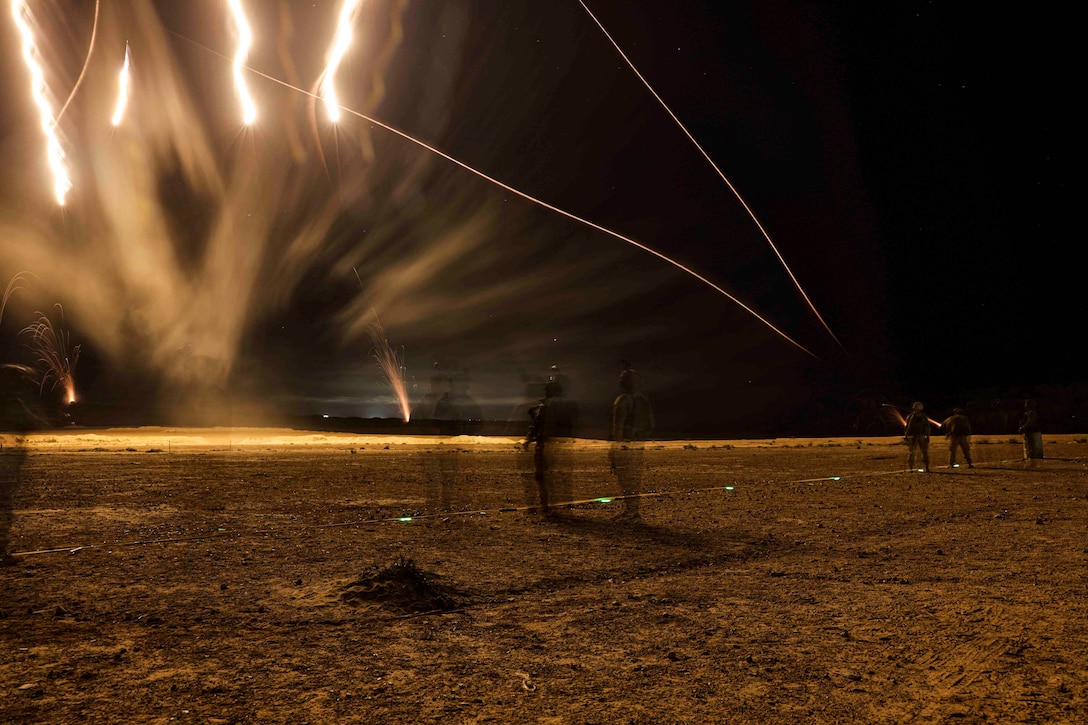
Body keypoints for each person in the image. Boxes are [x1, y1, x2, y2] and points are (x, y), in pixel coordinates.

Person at [526, 371, 578, 515]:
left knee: (542, 476)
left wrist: (529, 438)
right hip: (563, 444)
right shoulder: (568, 405)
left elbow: (537, 424)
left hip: (546, 444)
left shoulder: (545, 406)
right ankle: (564, 505)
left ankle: (546, 505)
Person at [610, 362, 654, 519]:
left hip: (626, 445)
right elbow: (650, 425)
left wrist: (614, 450)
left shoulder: (622, 400)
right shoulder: (643, 400)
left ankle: (631, 511)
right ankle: (634, 510)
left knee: (626, 479)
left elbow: (618, 427)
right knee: (635, 479)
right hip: (639, 445)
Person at [903, 401, 931, 472]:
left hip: (913, 436)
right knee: (924, 452)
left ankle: (911, 467)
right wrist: (927, 435)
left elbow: (908, 427)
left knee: (912, 451)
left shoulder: (910, 417)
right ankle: (927, 467)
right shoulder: (924, 417)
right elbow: (927, 427)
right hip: (922, 436)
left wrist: (906, 435)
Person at [1018, 399, 1043, 465]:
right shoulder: (1030, 413)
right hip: (1033, 431)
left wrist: (1023, 427)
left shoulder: (1032, 413)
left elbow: (1030, 422)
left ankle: (1033, 456)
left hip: (1032, 431)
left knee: (1031, 448)